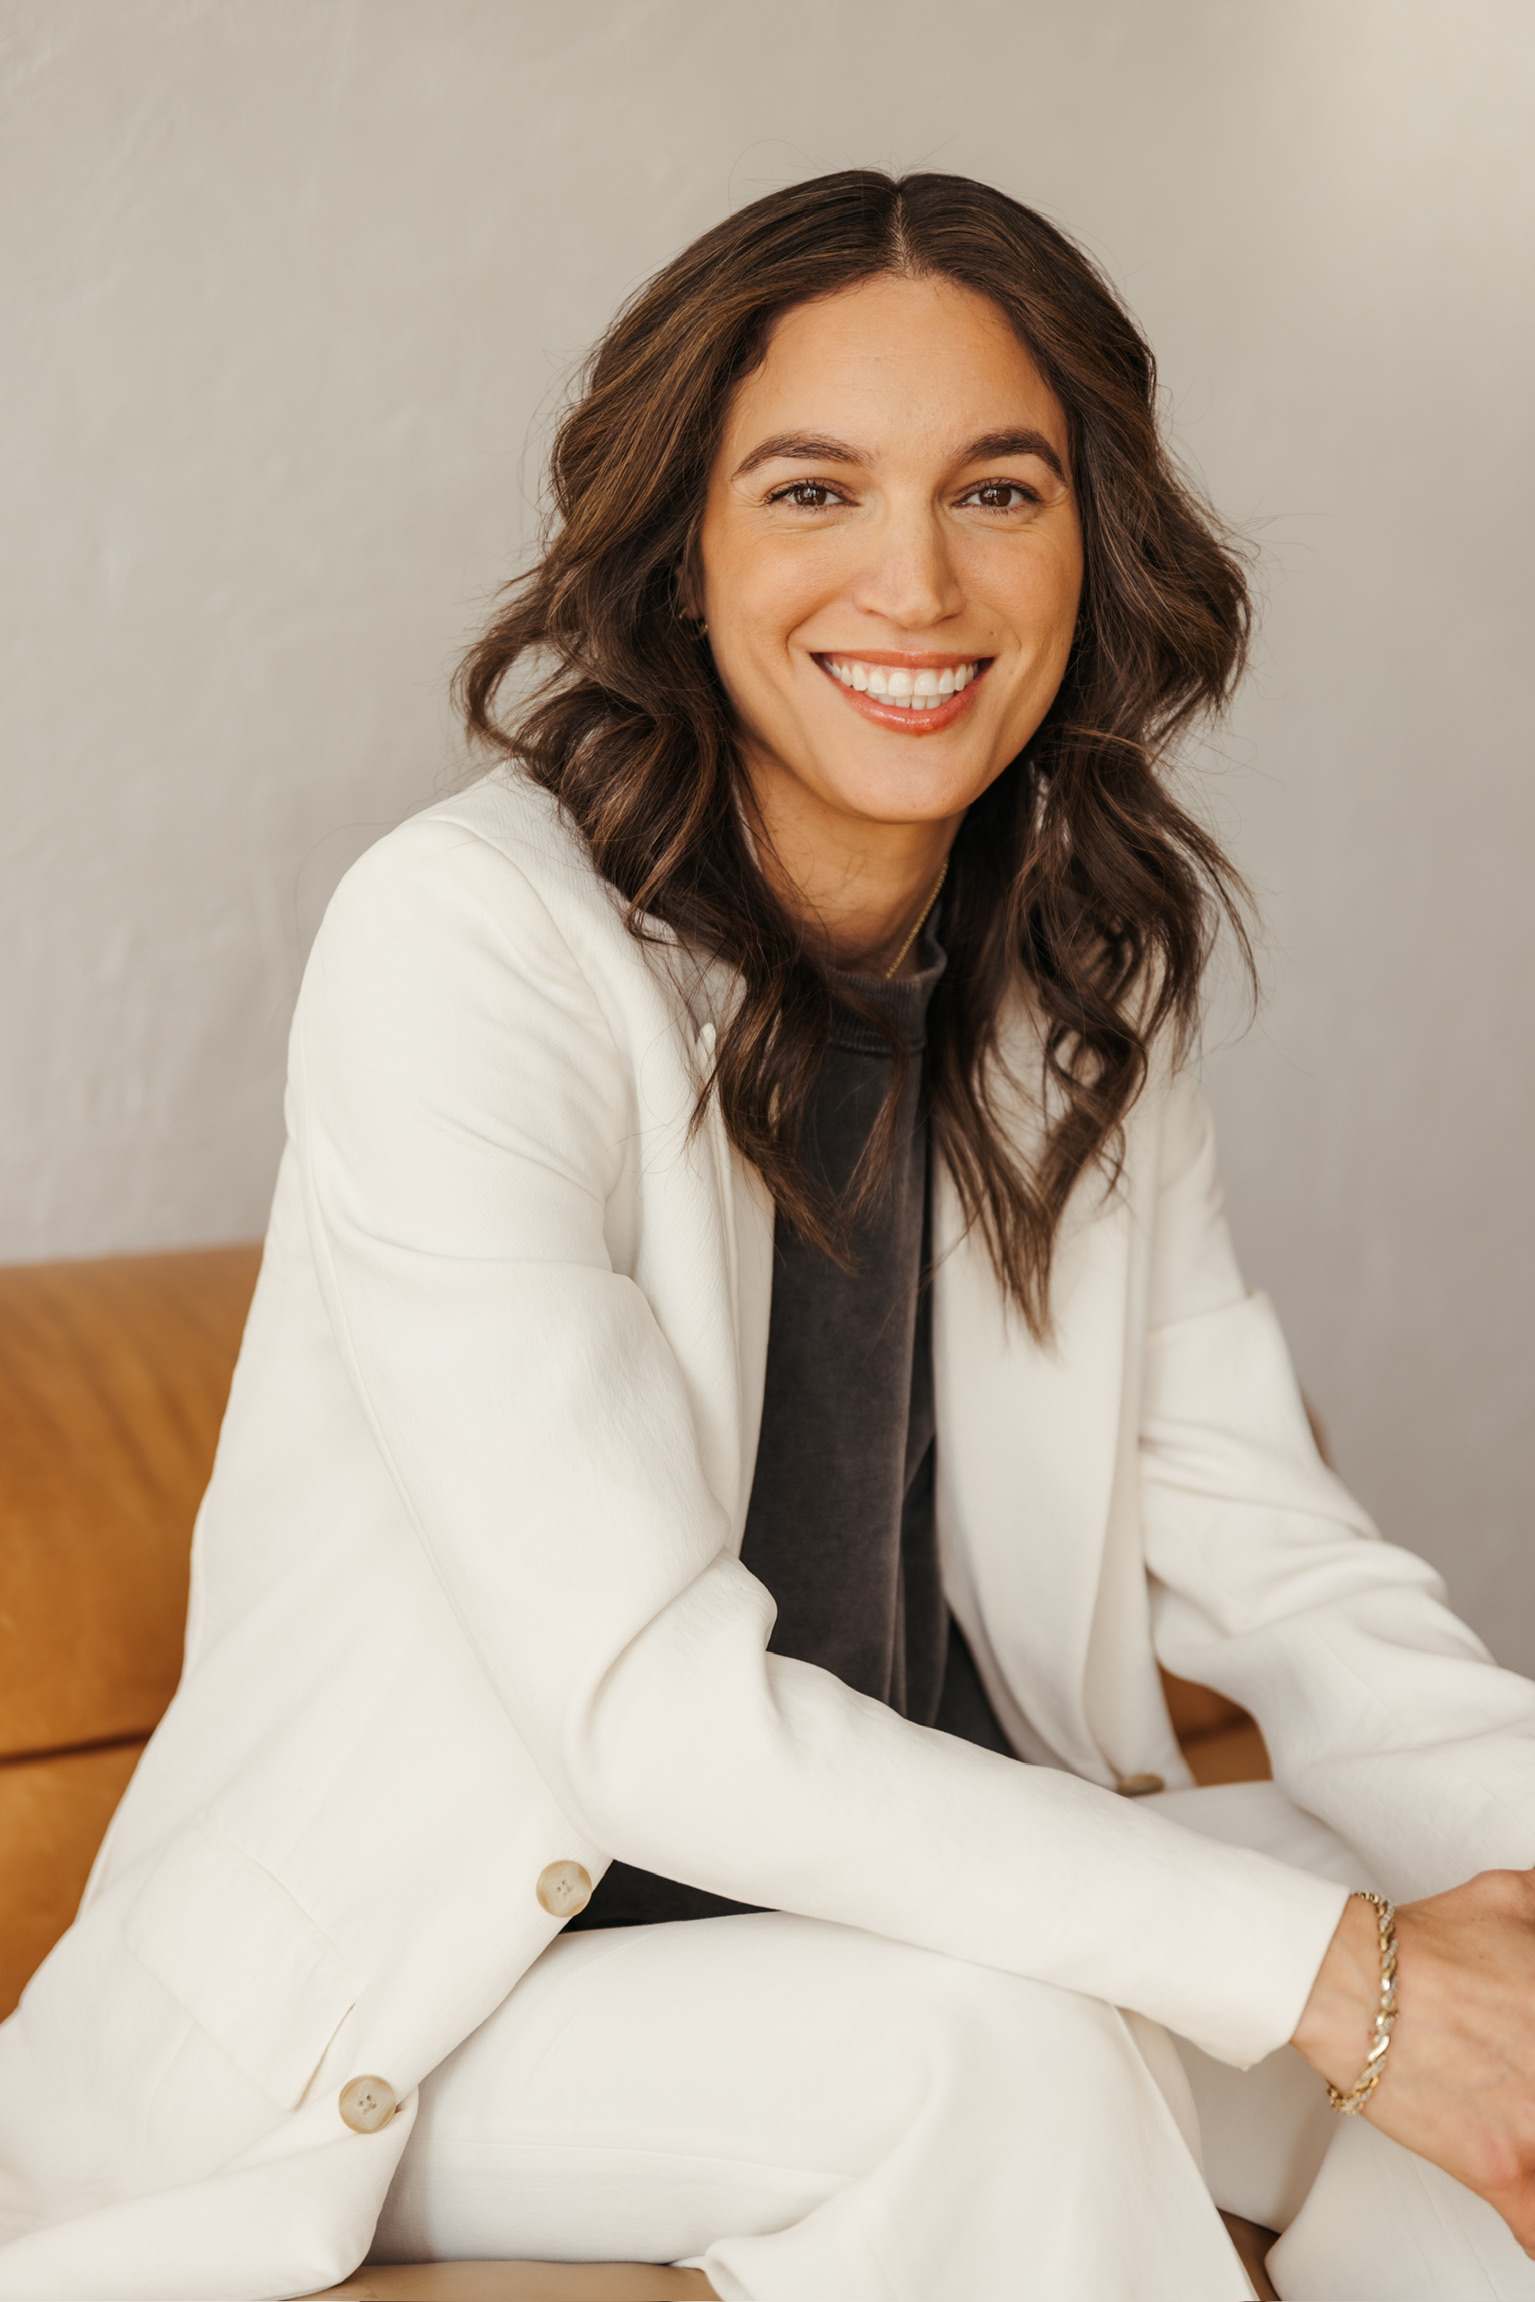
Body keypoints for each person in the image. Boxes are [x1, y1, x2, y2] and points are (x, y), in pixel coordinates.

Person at [3, 169, 1535, 2302]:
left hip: (871, 1918)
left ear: (1093, 543)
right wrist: (1344, 1979)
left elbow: (1278, 1551)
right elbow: (649, 1707)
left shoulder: (1073, 975)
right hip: (456, 1990)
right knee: (1003, 2054)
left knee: (1455, 1938)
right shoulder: (467, 944)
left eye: (997, 492)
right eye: (814, 490)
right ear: (683, 549)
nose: (916, 579)